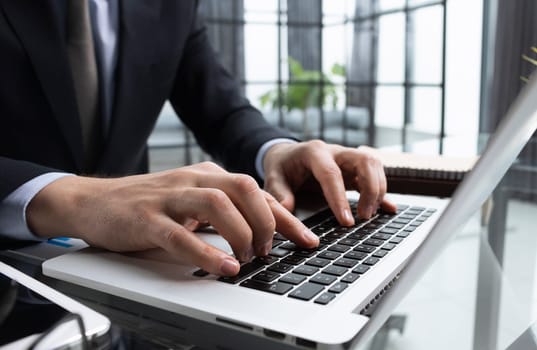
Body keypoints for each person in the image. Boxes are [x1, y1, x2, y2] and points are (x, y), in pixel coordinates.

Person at [0, 1, 396, 277]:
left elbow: (221, 110)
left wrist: (278, 150)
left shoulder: (173, 6)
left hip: (131, 266)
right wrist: (76, 199)